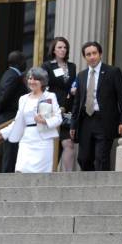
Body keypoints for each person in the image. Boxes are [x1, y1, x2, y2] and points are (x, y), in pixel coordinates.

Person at [0, 67, 62, 172]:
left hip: (43, 141)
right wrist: (1, 133)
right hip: (26, 139)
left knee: (41, 174)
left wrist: (45, 121)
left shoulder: (50, 96)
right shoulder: (23, 99)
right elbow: (17, 121)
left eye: (35, 79)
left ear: (42, 81)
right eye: (30, 78)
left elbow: (58, 118)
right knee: (22, 169)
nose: (32, 81)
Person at [70, 41, 122, 171]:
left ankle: (101, 187)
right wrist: (73, 124)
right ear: (85, 57)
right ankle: (89, 186)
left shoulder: (113, 72)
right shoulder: (81, 75)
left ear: (100, 54)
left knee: (101, 157)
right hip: (86, 121)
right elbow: (77, 102)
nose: (92, 57)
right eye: (88, 54)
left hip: (104, 120)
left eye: (94, 53)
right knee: (83, 158)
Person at [42, 37, 77, 171]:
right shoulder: (47, 66)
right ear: (54, 50)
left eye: (65, 47)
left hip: (68, 110)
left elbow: (73, 84)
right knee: (52, 145)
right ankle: (49, 175)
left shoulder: (72, 66)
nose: (63, 50)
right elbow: (43, 87)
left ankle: (67, 178)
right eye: (60, 47)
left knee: (69, 143)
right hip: (52, 110)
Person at [0, 51, 28, 172]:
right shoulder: (13, 76)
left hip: (9, 117)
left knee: (12, 151)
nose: (26, 64)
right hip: (9, 118)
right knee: (10, 151)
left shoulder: (9, 74)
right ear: (19, 62)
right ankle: (6, 176)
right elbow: (4, 97)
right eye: (24, 61)